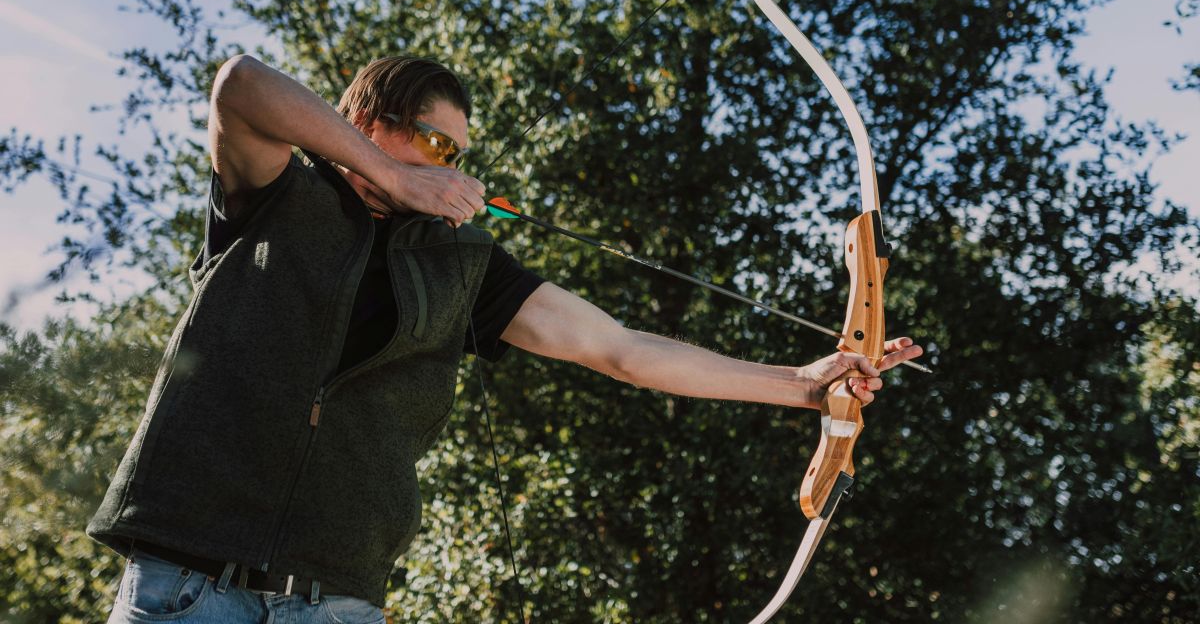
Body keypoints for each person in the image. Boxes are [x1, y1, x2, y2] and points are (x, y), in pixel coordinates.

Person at [88, 54, 923, 623]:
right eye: (437, 143)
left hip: (332, 598)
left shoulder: (463, 265)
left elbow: (620, 349)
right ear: (368, 121)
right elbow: (240, 85)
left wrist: (807, 385)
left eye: (458, 151)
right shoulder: (273, 197)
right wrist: (396, 177)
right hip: (186, 584)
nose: (454, 167)